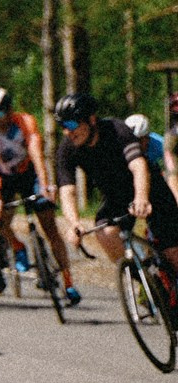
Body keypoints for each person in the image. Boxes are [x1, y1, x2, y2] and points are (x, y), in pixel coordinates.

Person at [54, 93, 178, 290]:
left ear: (91, 119)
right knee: (106, 234)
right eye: (62, 127)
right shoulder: (68, 149)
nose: (68, 132)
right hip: (116, 196)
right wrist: (74, 222)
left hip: (149, 188)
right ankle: (149, 282)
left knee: (173, 253)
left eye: (71, 125)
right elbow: (67, 190)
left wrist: (141, 197)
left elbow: (138, 166)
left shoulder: (117, 130)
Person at [0, 90, 75, 304]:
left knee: (50, 227)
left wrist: (45, 184)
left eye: (0, 112)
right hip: (3, 177)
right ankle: (16, 244)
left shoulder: (25, 122)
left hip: (29, 173)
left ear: (10, 109)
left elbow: (37, 154)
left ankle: (68, 281)